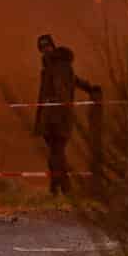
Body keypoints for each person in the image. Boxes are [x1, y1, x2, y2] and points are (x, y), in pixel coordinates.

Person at [33, 34, 100, 195]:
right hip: (49, 117)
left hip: (58, 117)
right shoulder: (50, 67)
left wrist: (90, 90)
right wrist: (89, 88)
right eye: (42, 48)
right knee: (55, 154)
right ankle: (58, 188)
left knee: (57, 153)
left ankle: (62, 188)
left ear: (53, 46)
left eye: (47, 46)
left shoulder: (60, 66)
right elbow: (73, 81)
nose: (45, 50)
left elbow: (63, 89)